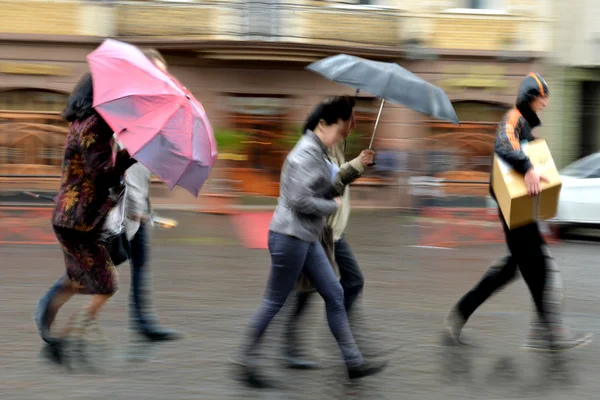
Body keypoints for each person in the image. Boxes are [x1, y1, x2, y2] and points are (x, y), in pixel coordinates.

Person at [236, 96, 387, 388]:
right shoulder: (305, 154)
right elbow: (301, 200)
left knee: (334, 294)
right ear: (322, 124)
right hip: (290, 237)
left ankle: (353, 363)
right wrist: (334, 205)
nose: (342, 135)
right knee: (273, 302)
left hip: (306, 236)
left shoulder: (318, 152)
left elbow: (330, 184)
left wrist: (353, 171)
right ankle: (245, 363)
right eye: (340, 128)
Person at [446, 73, 592, 351]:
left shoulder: (524, 123)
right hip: (512, 209)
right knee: (538, 265)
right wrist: (528, 168)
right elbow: (505, 145)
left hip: (519, 208)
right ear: (530, 96)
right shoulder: (514, 118)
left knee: (514, 269)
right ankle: (548, 334)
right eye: (542, 97)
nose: (546, 103)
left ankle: (461, 315)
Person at [36, 72, 137, 363]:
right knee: (107, 284)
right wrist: (131, 155)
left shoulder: (81, 122)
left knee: (76, 277)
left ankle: (48, 330)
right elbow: (101, 172)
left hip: (70, 216)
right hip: (80, 220)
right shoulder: (95, 124)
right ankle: (69, 337)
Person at [282, 115, 385, 368]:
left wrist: (358, 163)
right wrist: (358, 165)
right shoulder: (318, 148)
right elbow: (331, 185)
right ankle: (291, 345)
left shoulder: (338, 146)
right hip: (318, 231)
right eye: (348, 121)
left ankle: (342, 337)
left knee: (350, 282)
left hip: (334, 232)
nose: (353, 126)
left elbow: (339, 178)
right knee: (308, 291)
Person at [122, 48, 181, 341]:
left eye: (164, 72)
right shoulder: (124, 110)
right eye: (155, 71)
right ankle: (50, 308)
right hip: (116, 208)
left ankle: (143, 322)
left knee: (141, 266)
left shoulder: (151, 114)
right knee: (85, 272)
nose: (161, 77)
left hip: (139, 206)